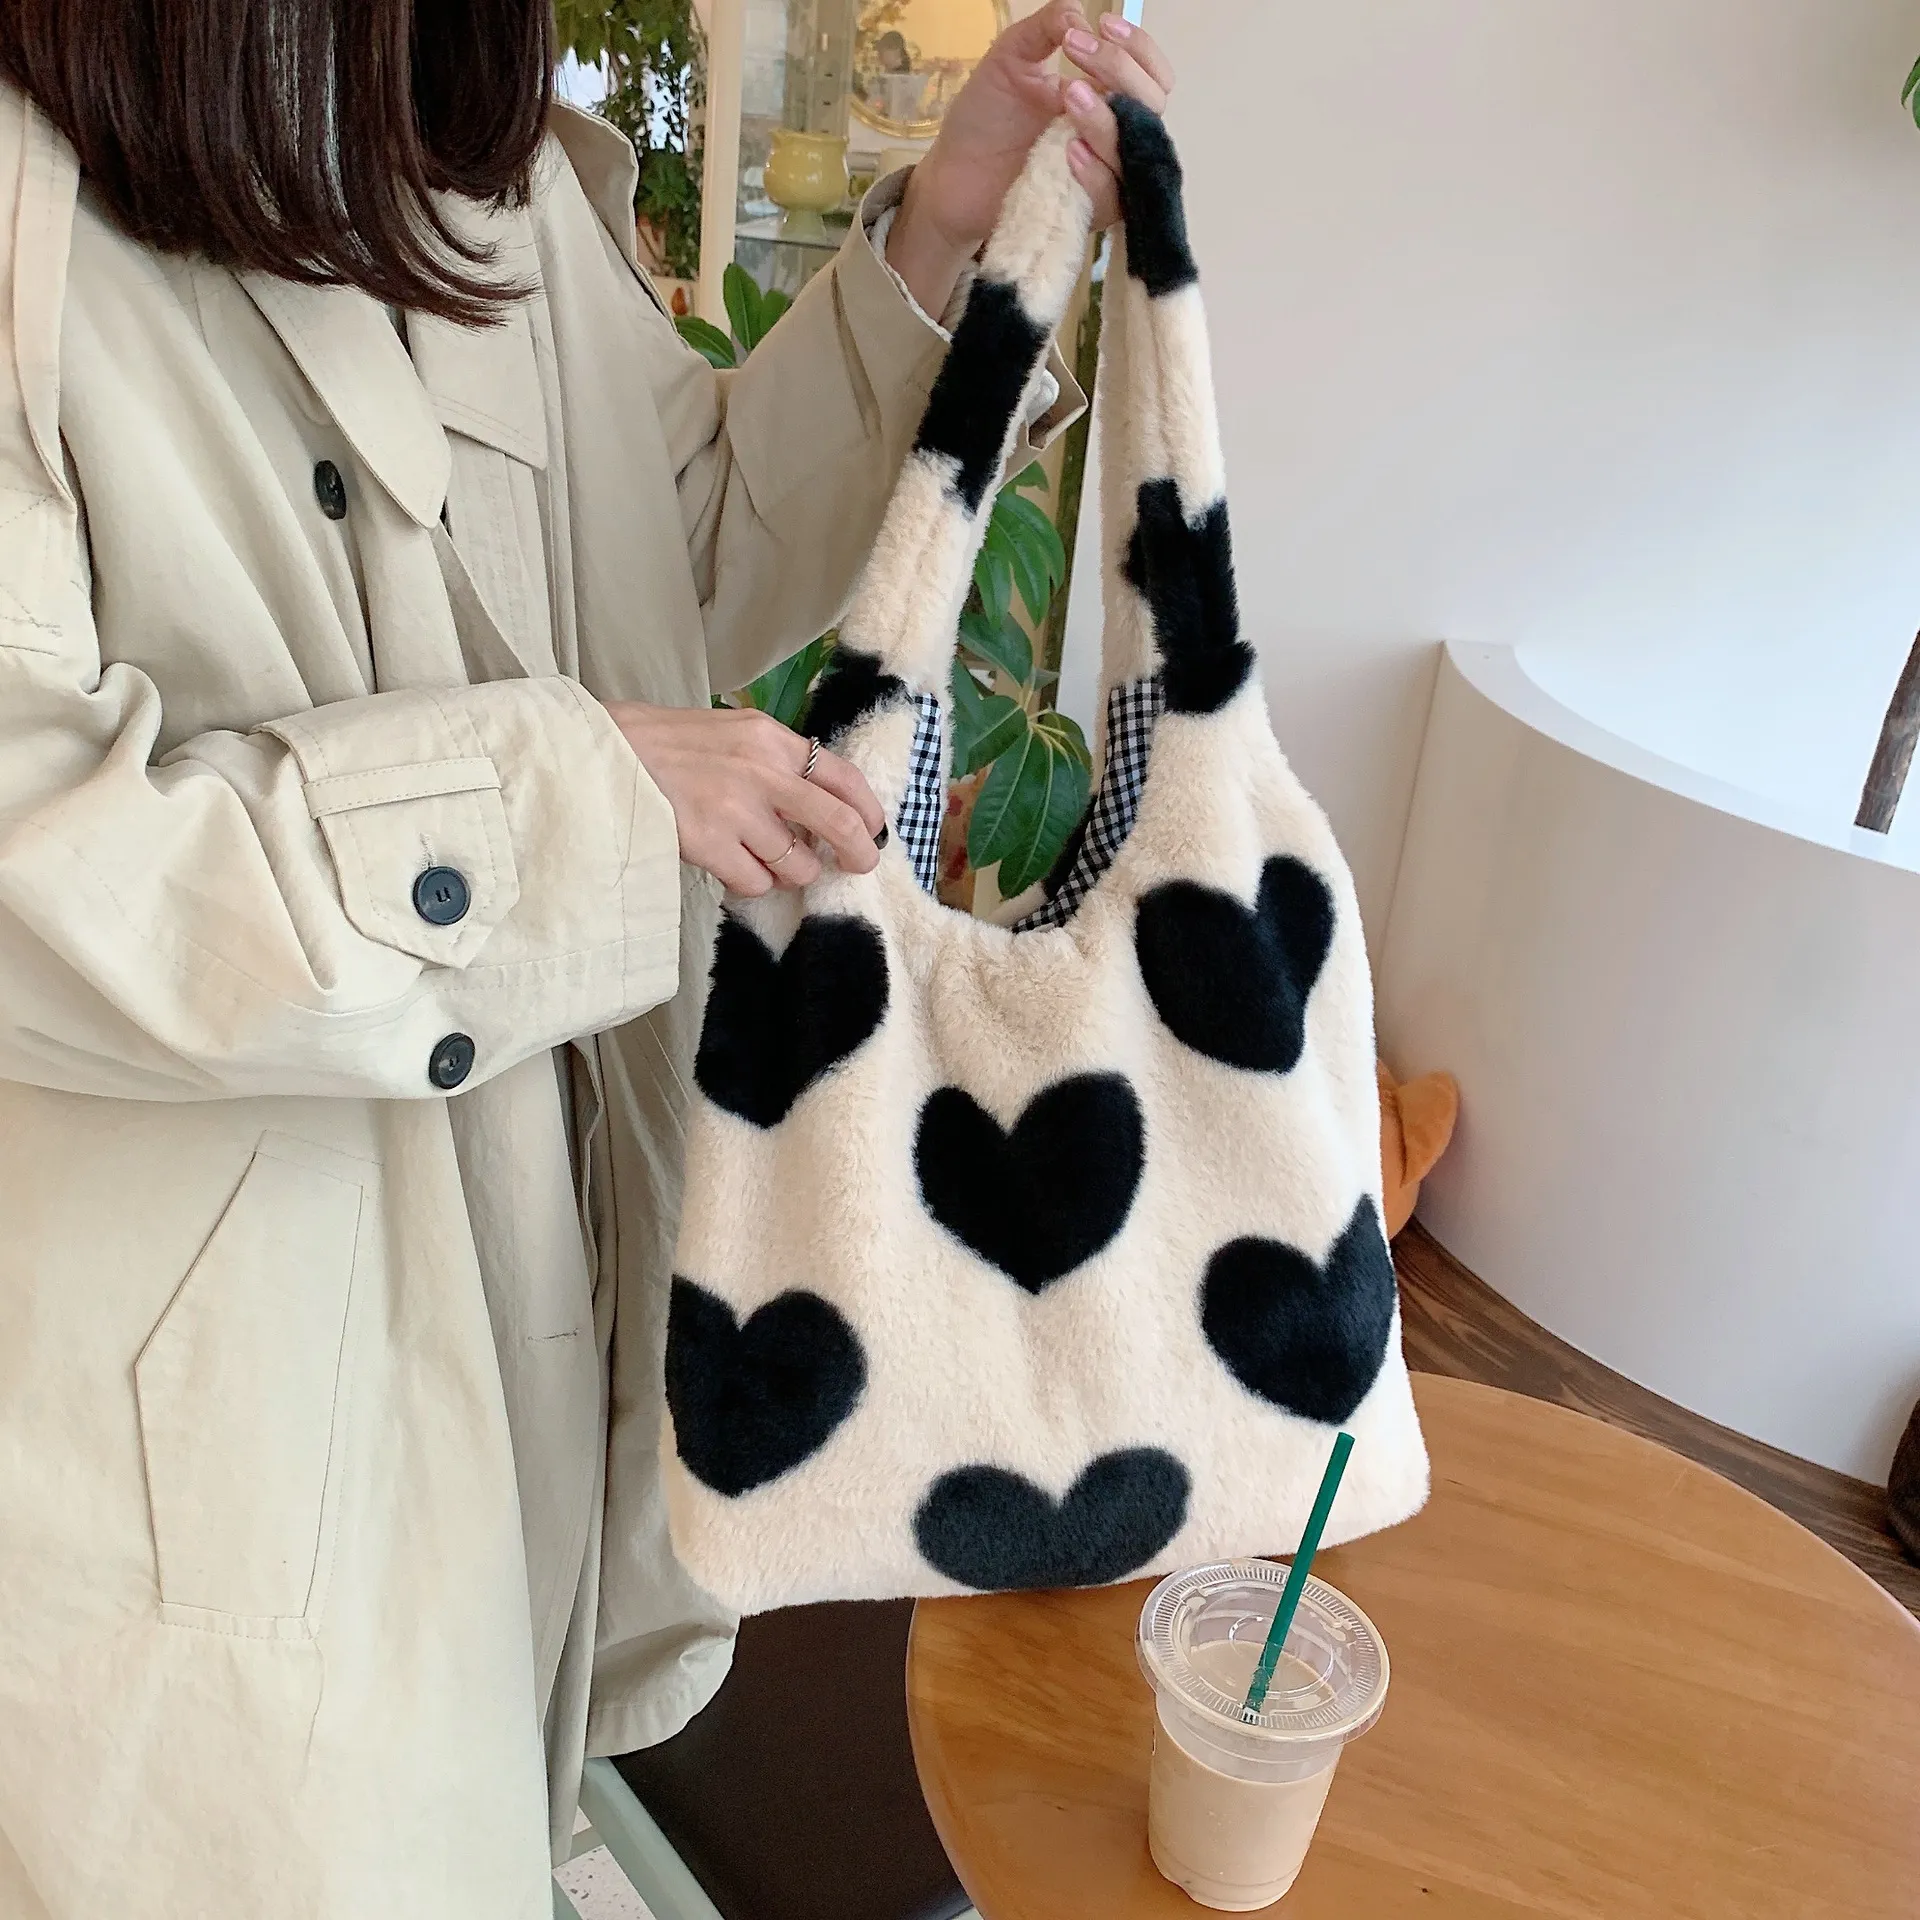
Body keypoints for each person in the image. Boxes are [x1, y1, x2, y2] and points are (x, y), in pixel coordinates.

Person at [0, 0, 1175, 1914]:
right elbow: (41, 871)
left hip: (526, 1263)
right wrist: (569, 801)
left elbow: (669, 547)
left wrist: (940, 238)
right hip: (216, 1382)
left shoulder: (460, 146)